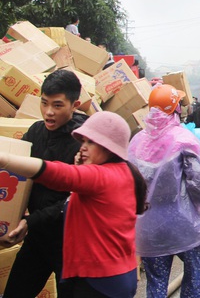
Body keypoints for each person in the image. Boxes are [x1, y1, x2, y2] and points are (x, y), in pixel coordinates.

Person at [0, 111, 146, 297]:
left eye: (90, 142)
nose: (83, 148)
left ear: (109, 147)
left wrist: (4, 160)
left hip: (99, 282)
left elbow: (57, 173)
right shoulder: (122, 172)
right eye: (83, 141)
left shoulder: (102, 176)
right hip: (115, 276)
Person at [128, 84, 200, 298]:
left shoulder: (136, 141)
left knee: (156, 284)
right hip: (183, 225)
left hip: (149, 227)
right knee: (194, 279)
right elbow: (198, 182)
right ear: (175, 109)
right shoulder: (184, 140)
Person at [1, 70, 88, 298]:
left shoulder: (85, 143)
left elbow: (74, 198)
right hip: (37, 235)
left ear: (75, 104)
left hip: (70, 244)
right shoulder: (36, 131)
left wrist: (30, 222)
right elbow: (16, 178)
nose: (49, 112)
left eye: (58, 105)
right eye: (44, 103)